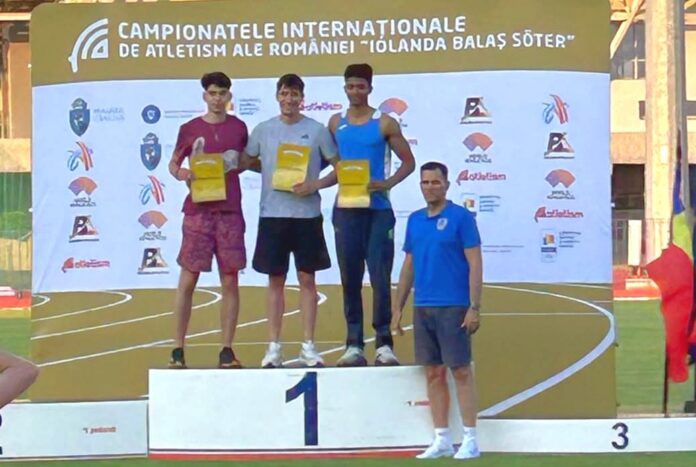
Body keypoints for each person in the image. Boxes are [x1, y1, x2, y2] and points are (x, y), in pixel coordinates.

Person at [242, 74, 338, 368]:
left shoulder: (317, 130)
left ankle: (308, 345)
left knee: (308, 279)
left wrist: (314, 185)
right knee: (276, 281)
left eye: (294, 94)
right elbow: (246, 161)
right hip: (272, 215)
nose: (289, 99)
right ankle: (273, 347)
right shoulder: (263, 130)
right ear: (277, 96)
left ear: (302, 98)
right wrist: (269, 172)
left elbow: (340, 168)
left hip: (307, 216)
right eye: (284, 93)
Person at [392, 161, 483, 460]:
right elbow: (409, 266)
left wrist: (474, 306)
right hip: (424, 307)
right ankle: (442, 438)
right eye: (425, 182)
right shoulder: (415, 220)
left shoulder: (461, 218)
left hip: (454, 306)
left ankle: (470, 439)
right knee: (433, 373)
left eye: (435, 182)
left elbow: (475, 263)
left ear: (447, 185)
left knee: (461, 371)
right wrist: (398, 307)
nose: (430, 187)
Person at [328, 63, 415, 367]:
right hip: (345, 210)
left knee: (379, 277)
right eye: (350, 86)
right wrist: (311, 183)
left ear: (370, 88)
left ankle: (384, 344)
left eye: (361, 86)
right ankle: (353, 344)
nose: (355, 91)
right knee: (349, 278)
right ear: (345, 88)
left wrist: (387, 183)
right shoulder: (335, 123)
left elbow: (409, 162)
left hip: (378, 211)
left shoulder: (385, 123)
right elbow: (333, 166)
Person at [168, 72, 248, 369]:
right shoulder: (189, 128)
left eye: (222, 93)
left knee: (230, 279)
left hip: (229, 211)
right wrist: (182, 173)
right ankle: (178, 349)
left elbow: (246, 161)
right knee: (188, 278)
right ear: (205, 95)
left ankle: (226, 349)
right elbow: (174, 163)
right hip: (198, 211)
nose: (217, 98)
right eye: (212, 93)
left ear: (229, 96)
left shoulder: (239, 127)